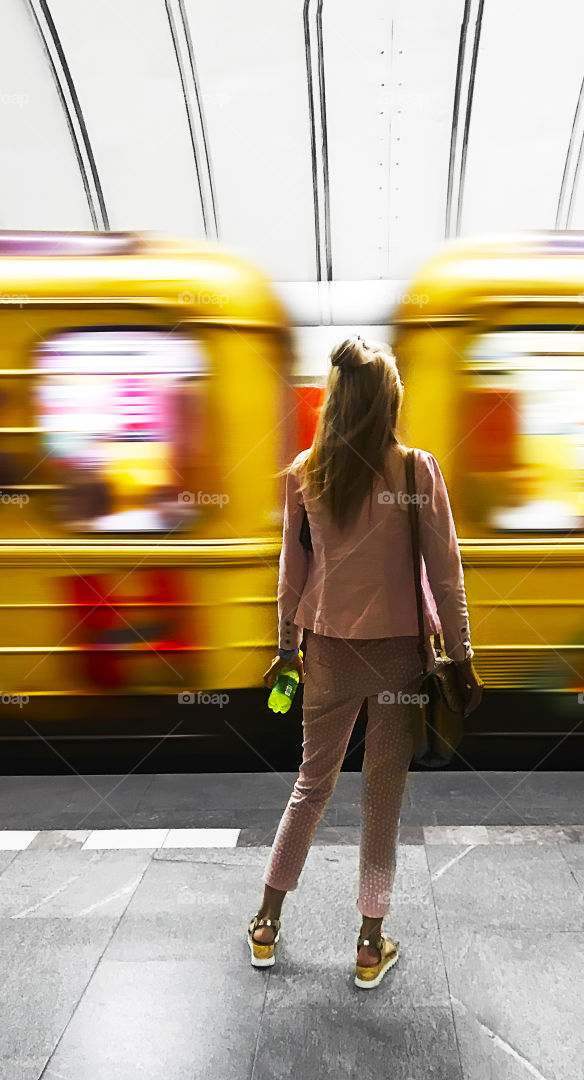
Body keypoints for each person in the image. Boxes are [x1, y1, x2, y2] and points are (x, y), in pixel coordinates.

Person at [251, 333, 483, 988]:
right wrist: (463, 656)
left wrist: (284, 652)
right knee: (382, 799)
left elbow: (291, 576)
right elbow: (447, 574)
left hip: (325, 650)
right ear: (389, 402)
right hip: (400, 659)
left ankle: (267, 921)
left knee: (311, 783)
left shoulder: (305, 473)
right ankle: (368, 940)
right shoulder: (418, 471)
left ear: (335, 400)